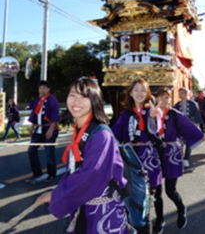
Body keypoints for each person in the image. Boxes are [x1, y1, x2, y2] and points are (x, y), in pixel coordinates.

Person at [36, 77, 128, 234]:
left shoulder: (102, 135)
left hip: (103, 213)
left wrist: (55, 194)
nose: (76, 101)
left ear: (94, 100)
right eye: (72, 94)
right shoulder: (79, 130)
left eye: (84, 96)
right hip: (84, 206)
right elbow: (73, 171)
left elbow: (90, 176)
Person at [155, 87, 205, 230]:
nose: (163, 100)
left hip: (171, 154)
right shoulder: (151, 113)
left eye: (166, 97)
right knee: (156, 191)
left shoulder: (174, 114)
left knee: (170, 190)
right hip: (155, 154)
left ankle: (181, 208)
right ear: (156, 98)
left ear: (170, 99)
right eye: (160, 97)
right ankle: (159, 220)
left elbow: (191, 128)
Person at [112, 79, 163, 234]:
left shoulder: (150, 111)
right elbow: (114, 135)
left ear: (147, 93)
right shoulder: (125, 114)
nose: (139, 93)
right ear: (131, 93)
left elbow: (157, 131)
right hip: (130, 160)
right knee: (131, 196)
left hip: (148, 159)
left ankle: (154, 223)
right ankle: (135, 226)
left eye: (143, 90)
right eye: (136, 90)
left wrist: (154, 117)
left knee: (148, 198)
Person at [25, 80, 60, 184]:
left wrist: (50, 129)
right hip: (38, 130)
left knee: (49, 153)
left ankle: (51, 174)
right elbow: (35, 115)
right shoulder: (38, 100)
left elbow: (55, 115)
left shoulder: (52, 99)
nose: (42, 90)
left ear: (48, 89)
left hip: (49, 129)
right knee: (31, 150)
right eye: (40, 88)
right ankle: (37, 173)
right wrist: (31, 128)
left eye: (44, 88)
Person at [174, 87, 202, 168]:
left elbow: (197, 115)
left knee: (189, 143)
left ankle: (186, 159)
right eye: (179, 93)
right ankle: (180, 158)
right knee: (180, 144)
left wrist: (196, 126)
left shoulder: (193, 104)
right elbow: (173, 115)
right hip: (180, 127)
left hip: (190, 126)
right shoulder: (177, 105)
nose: (180, 95)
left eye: (182, 93)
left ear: (186, 94)